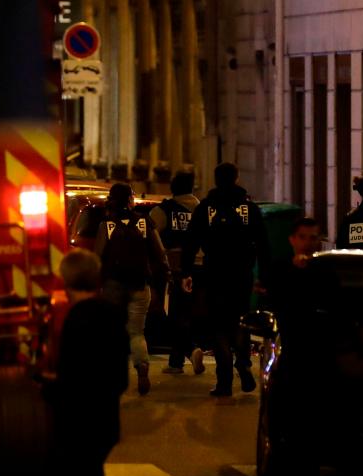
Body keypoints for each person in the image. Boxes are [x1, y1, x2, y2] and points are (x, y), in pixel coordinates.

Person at [44, 248, 128, 476]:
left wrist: (48, 387)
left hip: (78, 428)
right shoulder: (113, 316)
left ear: (66, 281)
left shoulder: (78, 321)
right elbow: (117, 378)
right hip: (102, 424)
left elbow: (72, 380)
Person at [181, 162, 270, 397]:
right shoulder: (249, 209)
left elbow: (191, 242)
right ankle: (243, 363)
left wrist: (186, 272)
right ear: (237, 178)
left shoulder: (206, 208)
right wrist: (265, 277)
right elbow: (263, 243)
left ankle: (224, 381)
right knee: (239, 320)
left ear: (215, 179)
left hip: (214, 273)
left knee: (218, 326)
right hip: (241, 274)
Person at [265, 218, 325, 476]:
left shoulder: (326, 272)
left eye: (314, 238)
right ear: (292, 240)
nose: (309, 243)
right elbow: (277, 300)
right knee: (281, 419)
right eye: (304, 237)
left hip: (319, 358)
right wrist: (296, 274)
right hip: (291, 356)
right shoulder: (282, 269)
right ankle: (282, 471)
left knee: (310, 425)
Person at [94, 183, 168, 395]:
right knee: (136, 332)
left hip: (112, 286)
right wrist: (165, 276)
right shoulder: (144, 222)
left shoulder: (106, 225)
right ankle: (142, 367)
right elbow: (160, 253)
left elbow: (98, 257)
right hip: (139, 284)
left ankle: (111, 378)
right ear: (129, 200)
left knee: (111, 331)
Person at [150, 173, 205, 375]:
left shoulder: (164, 211)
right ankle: (176, 361)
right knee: (188, 314)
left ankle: (191, 350)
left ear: (172, 188)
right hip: (202, 268)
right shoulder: (203, 210)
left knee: (175, 315)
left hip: (177, 269)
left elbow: (147, 232)